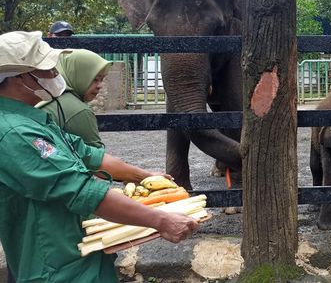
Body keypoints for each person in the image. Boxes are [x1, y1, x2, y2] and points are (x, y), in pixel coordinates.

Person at [0, 31, 198, 282]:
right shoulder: (15, 133)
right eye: (48, 70)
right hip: (56, 266)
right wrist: (161, 220)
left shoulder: (33, 120)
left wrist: (145, 177)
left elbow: (89, 155)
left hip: (79, 253)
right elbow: (81, 190)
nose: (55, 75)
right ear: (19, 78)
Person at [38, 49, 112, 147]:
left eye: (101, 79)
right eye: (95, 79)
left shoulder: (41, 94)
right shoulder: (78, 111)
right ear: (78, 76)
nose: (100, 85)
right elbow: (94, 159)